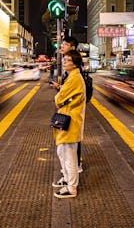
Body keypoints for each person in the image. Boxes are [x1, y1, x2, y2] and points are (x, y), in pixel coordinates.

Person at [52, 50, 86, 199]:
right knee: (62, 151)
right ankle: (66, 179)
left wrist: (60, 93)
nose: (64, 62)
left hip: (70, 121)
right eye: (64, 59)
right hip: (69, 119)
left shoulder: (74, 78)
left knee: (69, 154)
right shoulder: (73, 76)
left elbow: (58, 100)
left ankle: (71, 187)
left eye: (67, 60)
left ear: (75, 63)